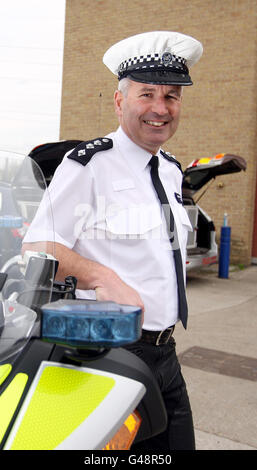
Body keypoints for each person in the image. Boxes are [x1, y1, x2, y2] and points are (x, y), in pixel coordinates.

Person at [24, 31, 203, 450]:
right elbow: (37, 246)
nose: (160, 108)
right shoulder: (89, 164)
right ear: (121, 101)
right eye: (147, 94)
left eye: (172, 97)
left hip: (165, 352)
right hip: (111, 352)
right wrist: (100, 275)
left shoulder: (171, 169)